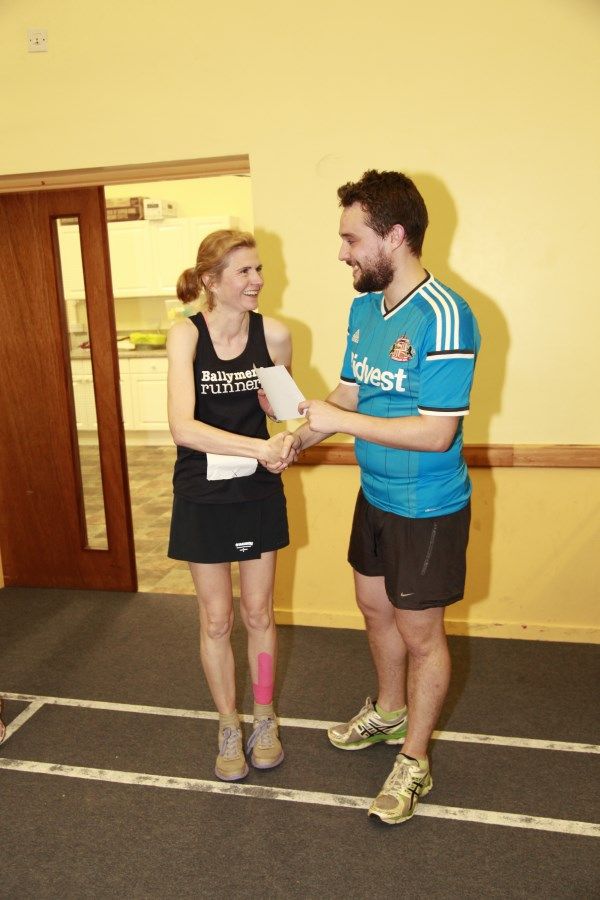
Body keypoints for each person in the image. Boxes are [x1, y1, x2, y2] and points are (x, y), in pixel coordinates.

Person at [286, 170, 480, 824]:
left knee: (422, 633)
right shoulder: (365, 309)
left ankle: (414, 760)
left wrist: (341, 422)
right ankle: (390, 712)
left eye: (351, 238)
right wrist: (299, 437)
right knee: (373, 608)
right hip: (374, 494)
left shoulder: (446, 316)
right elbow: (350, 392)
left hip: (427, 507)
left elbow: (436, 432)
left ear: (394, 236)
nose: (342, 252)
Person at [167, 229, 292, 782]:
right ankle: (227, 725)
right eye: (244, 271)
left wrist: (283, 430)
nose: (257, 280)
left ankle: (263, 716)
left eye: (258, 269)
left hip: (257, 491)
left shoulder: (275, 334)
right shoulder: (185, 336)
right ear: (211, 282)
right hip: (203, 491)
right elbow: (183, 427)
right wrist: (259, 447)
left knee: (259, 613)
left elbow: (288, 413)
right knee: (216, 619)